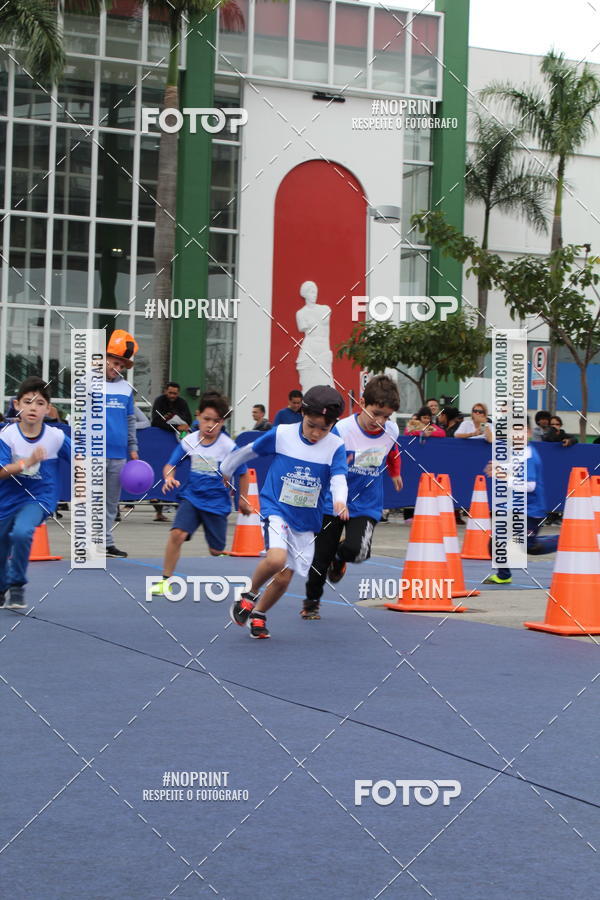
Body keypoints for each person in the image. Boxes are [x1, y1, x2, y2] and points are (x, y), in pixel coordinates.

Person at [221, 385, 348, 639]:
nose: (316, 433)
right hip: (276, 508)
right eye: (311, 425)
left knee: (283, 578)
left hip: (306, 520)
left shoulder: (335, 446)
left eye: (324, 429)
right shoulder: (282, 434)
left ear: (333, 425)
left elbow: (339, 477)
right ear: (302, 413)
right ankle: (249, 594)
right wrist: (226, 470)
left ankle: (259, 614)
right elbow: (248, 451)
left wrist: (340, 500)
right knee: (276, 560)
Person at [302, 375, 402, 619]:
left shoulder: (391, 430)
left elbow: (392, 451)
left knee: (359, 551)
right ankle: (311, 602)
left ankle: (339, 558)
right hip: (333, 502)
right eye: (376, 413)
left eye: (387, 417)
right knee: (320, 559)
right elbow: (321, 460)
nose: (380, 422)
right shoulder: (341, 430)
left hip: (366, 503)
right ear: (362, 403)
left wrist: (395, 472)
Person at [150, 393, 251, 595]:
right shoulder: (189, 441)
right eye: (206, 419)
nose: (210, 425)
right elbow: (170, 465)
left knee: (216, 551)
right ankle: (165, 580)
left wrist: (243, 500)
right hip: (192, 497)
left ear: (223, 422)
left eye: (216, 421)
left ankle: (219, 550)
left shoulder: (229, 446)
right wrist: (169, 478)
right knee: (177, 534)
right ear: (198, 416)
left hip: (217, 503)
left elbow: (243, 473)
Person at [0, 377, 71, 609]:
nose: (33, 407)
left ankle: (17, 585)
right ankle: (2, 587)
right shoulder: (7, 435)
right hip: (7, 498)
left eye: (40, 403)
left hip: (39, 497)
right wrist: (26, 462)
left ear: (48, 409)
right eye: (28, 402)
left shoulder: (56, 437)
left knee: (22, 532)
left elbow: (82, 460)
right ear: (17, 404)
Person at [484, 418, 558, 584]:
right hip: (515, 508)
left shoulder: (530, 456)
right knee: (496, 542)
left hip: (531, 511)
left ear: (529, 433)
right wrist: (499, 467)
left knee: (528, 547)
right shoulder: (518, 451)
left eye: (522, 431)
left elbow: (530, 486)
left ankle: (564, 539)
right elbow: (513, 466)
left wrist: (503, 476)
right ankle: (503, 576)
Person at [104, 330, 139, 558]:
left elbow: (130, 420)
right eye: (114, 362)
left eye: (121, 366)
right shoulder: (87, 383)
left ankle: (106, 543)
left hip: (118, 455)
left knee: (111, 502)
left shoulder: (126, 389)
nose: (117, 368)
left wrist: (133, 448)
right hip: (93, 453)